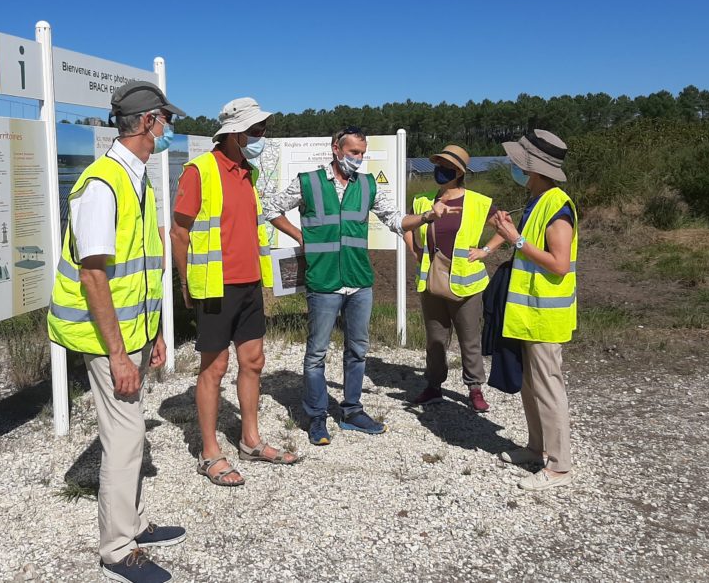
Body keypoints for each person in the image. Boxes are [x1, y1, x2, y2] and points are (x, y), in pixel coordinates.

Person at [47, 81, 186, 582]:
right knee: (126, 442)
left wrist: (152, 336)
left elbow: (140, 272)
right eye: (165, 119)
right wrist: (120, 355)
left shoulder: (134, 178)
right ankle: (117, 548)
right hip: (109, 344)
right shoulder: (102, 184)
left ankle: (133, 523)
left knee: (129, 437)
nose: (169, 128)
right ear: (148, 122)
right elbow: (93, 275)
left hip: (132, 337)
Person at [265, 126, 458, 445]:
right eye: (353, 152)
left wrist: (425, 217)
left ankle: (352, 411)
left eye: (362, 153)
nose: (358, 159)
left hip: (359, 281)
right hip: (323, 280)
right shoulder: (308, 182)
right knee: (316, 353)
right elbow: (270, 209)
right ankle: (316, 416)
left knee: (357, 350)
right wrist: (299, 236)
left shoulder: (368, 185)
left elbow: (396, 220)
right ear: (335, 149)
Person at [170, 97, 300, 488]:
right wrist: (185, 284)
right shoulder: (199, 171)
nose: (262, 136)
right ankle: (209, 452)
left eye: (263, 129)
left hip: (249, 284)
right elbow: (179, 232)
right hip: (214, 285)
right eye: (256, 130)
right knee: (215, 368)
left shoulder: (250, 173)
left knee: (254, 361)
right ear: (234, 132)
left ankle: (250, 440)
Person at [491, 129, 578, 492]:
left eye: (521, 164)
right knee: (531, 386)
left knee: (548, 388)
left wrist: (515, 239)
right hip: (528, 313)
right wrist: (513, 232)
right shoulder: (537, 200)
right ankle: (536, 447)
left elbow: (558, 263)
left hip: (545, 316)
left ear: (535, 169)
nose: (516, 168)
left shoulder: (558, 206)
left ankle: (559, 467)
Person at [403, 144, 498, 412]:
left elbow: (505, 227)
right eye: (438, 165)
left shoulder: (478, 202)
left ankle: (475, 388)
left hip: (467, 283)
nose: (440, 171)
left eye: (446, 167)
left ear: (459, 172)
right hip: (432, 281)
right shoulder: (423, 200)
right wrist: (414, 249)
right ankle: (434, 386)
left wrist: (486, 250)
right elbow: (406, 224)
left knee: (469, 338)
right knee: (435, 339)